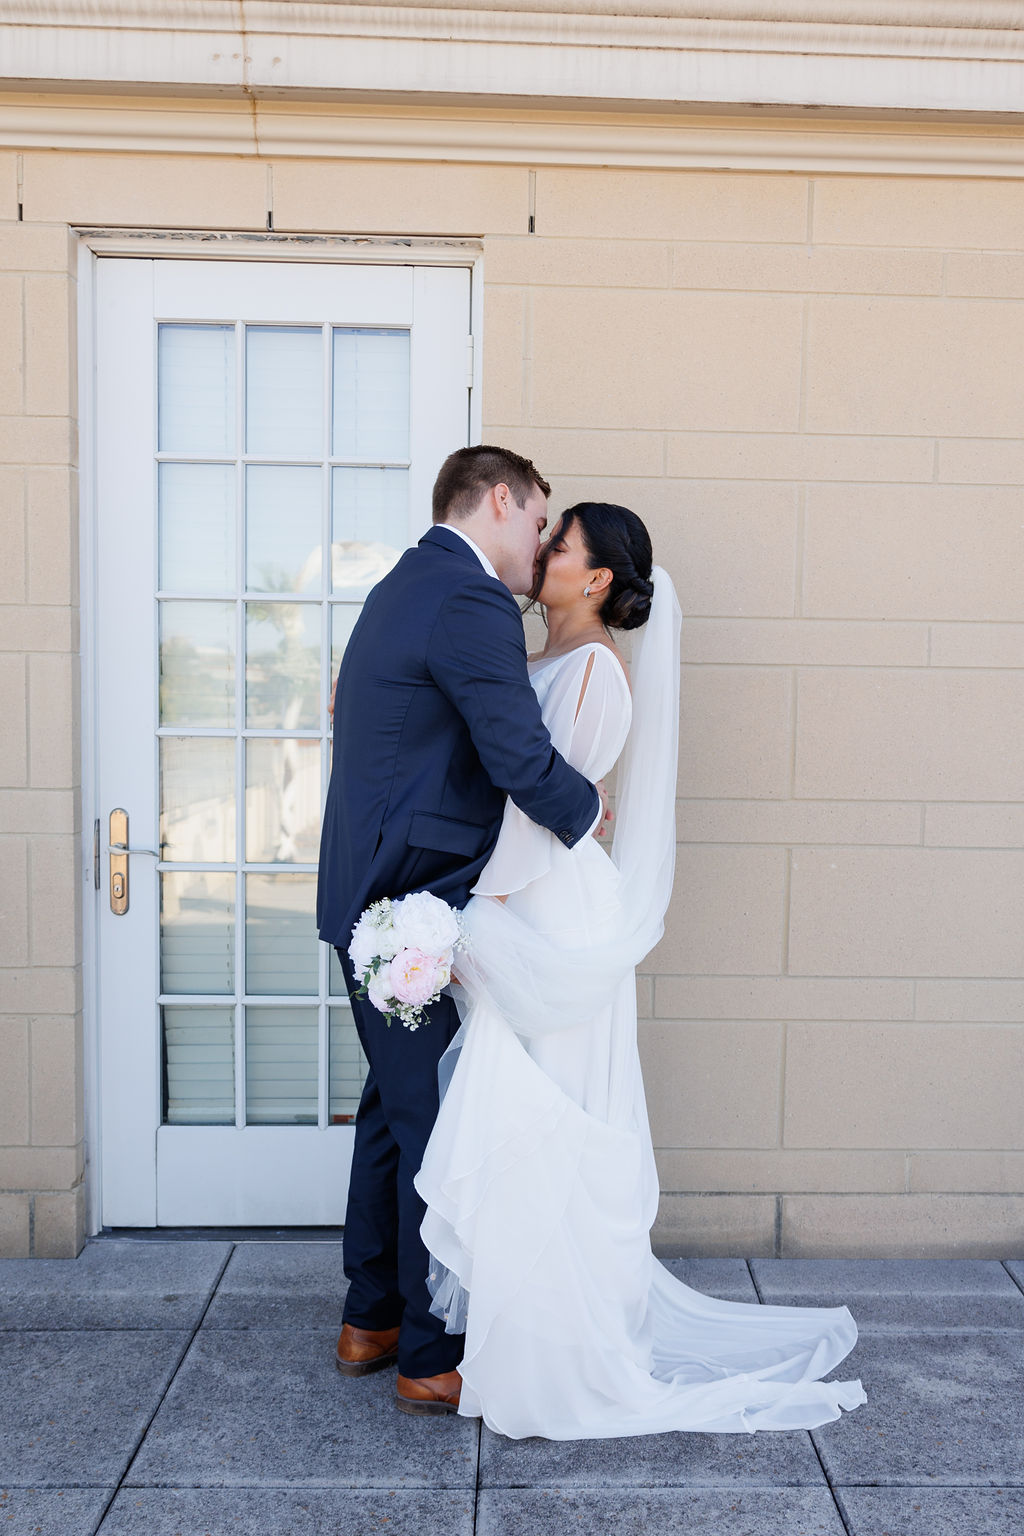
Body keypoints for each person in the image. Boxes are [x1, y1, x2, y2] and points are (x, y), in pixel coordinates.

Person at [414, 501, 869, 1438]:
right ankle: (513, 1334)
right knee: (516, 1116)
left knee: (554, 1117)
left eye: (561, 543)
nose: (541, 551)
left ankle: (559, 1346)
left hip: (546, 911)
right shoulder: (531, 657)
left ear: (596, 581)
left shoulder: (596, 675)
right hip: (513, 904)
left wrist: (471, 919)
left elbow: (550, 815)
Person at [316, 446, 609, 1415]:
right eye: (535, 522)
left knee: (393, 1119)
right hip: (410, 911)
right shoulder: (469, 598)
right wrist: (584, 812)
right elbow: (514, 747)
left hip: (371, 898)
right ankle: (428, 1357)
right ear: (498, 500)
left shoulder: (402, 585)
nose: (536, 545)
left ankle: (373, 1318)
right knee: (432, 1126)